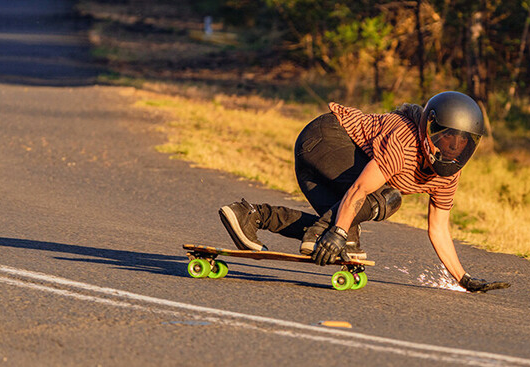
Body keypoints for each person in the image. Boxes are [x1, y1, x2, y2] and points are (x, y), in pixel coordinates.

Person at [218, 91, 510, 293]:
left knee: (341, 238)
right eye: (444, 138)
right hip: (324, 139)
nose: (450, 149)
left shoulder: (449, 175)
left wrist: (463, 278)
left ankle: (251, 215)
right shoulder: (405, 142)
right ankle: (321, 233)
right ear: (428, 127)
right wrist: (338, 232)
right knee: (385, 200)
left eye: (460, 144)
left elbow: (439, 230)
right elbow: (359, 188)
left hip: (321, 164)